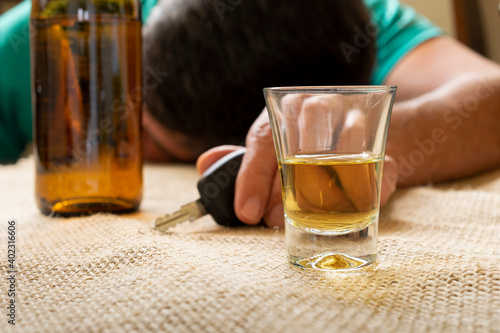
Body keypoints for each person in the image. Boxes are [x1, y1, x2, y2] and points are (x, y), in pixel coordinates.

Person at [1, 0, 500, 227]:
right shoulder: (48, 31)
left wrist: (365, 139)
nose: (130, 153)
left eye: (153, 148)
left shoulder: (361, 24)